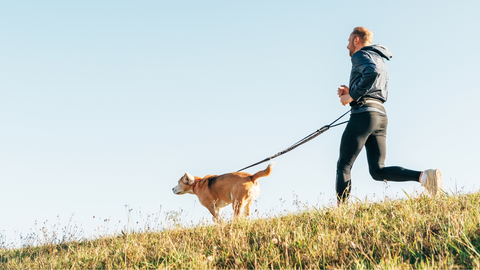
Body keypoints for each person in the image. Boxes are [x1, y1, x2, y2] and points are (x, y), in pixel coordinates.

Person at [336, 26, 442, 204]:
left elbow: (371, 73)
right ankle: (425, 177)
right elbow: (374, 85)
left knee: (343, 165)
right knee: (377, 170)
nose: (347, 46)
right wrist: (351, 94)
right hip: (380, 116)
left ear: (356, 40)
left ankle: (341, 212)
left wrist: (352, 95)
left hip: (364, 115)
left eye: (348, 41)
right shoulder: (377, 57)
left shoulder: (360, 55)